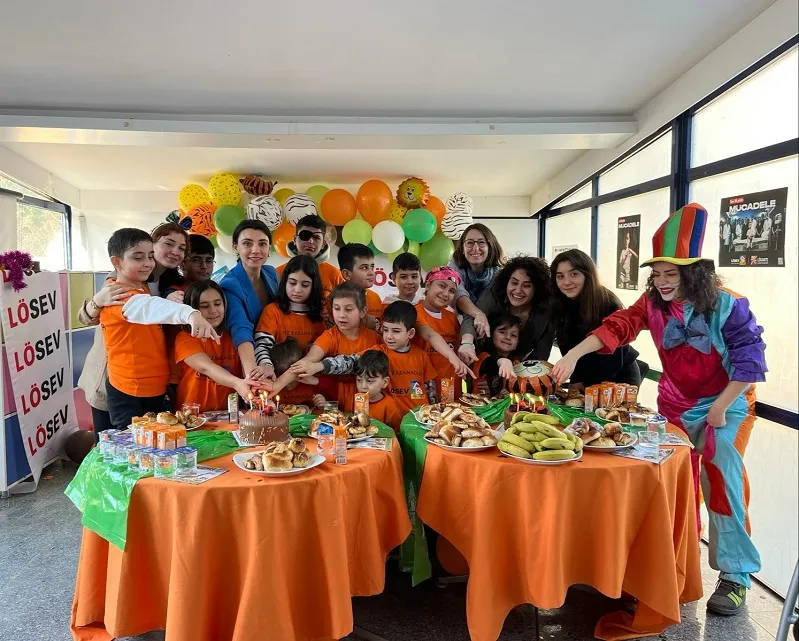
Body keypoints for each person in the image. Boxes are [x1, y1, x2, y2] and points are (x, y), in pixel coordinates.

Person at [552, 204, 765, 616]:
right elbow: (618, 326)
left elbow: (750, 360)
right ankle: (675, 563)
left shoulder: (730, 304)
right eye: (658, 274)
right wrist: (574, 355)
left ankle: (735, 575)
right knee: (673, 483)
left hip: (726, 405)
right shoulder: (652, 304)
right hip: (674, 403)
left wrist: (720, 408)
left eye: (672, 273)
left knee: (721, 480)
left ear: (695, 273)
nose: (663, 281)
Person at [77, 222, 190, 435]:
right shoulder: (120, 280)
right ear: (153, 243)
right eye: (168, 244)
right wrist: (96, 302)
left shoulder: (165, 282)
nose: (175, 251)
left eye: (182, 248)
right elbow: (87, 317)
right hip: (112, 378)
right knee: (112, 445)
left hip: (148, 380)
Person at [100, 228, 218, 429]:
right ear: (117, 262)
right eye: (138, 257)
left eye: (150, 256)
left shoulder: (143, 287)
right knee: (136, 446)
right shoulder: (117, 294)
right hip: (130, 390)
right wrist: (191, 314)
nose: (147, 263)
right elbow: (147, 306)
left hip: (154, 387)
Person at [290, 301, 437, 413]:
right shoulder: (377, 353)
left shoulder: (421, 356)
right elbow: (348, 362)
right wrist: (319, 366)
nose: (389, 336)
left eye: (396, 331)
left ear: (410, 333)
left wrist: (432, 413)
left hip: (418, 420)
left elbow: (429, 388)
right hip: (387, 419)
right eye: (386, 330)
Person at [551, 249, 641, 387]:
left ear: (587, 275)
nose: (566, 282)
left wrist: (595, 387)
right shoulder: (559, 303)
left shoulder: (606, 301)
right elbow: (567, 346)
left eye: (574, 274)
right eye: (560, 276)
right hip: (587, 372)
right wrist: (576, 379)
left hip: (619, 372)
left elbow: (615, 355)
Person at [286, 282, 380, 412]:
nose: (341, 315)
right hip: (335, 405)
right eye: (336, 308)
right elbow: (308, 361)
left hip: (367, 408)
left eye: (348, 309)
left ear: (363, 311)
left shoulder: (375, 339)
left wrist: (319, 368)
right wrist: (276, 385)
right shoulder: (329, 337)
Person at [174, 280, 259, 410]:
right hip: (193, 414)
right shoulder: (186, 337)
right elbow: (206, 368)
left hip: (229, 414)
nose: (213, 310)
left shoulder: (235, 337)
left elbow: (247, 371)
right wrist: (237, 383)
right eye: (204, 306)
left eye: (217, 304)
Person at [459, 256, 554, 365]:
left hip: (519, 367)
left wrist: (517, 373)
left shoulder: (546, 314)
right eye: (514, 283)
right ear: (506, 282)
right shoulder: (494, 294)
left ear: (537, 289)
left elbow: (540, 358)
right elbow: (471, 317)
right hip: (481, 361)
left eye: (527, 286)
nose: (518, 290)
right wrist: (467, 343)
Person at [220, 220, 279, 381]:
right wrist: (253, 375)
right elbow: (241, 329)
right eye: (247, 243)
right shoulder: (229, 285)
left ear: (269, 248)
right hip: (247, 358)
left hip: (275, 355)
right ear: (236, 247)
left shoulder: (272, 273)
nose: (256, 250)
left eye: (262, 244)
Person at [254, 255, 326, 376]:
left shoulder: (324, 313)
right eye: (292, 283)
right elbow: (262, 346)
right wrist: (266, 366)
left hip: (315, 382)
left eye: (305, 285)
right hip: (278, 381)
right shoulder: (272, 311)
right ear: (285, 282)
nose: (297, 289)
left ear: (314, 286)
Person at [413, 266, 463, 400]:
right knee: (421, 412)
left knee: (452, 413)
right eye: (442, 286)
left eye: (452, 291)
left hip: (449, 385)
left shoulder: (452, 318)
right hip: (420, 384)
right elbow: (430, 335)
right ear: (428, 285)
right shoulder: (413, 313)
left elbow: (458, 350)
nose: (445, 293)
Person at [448, 223, 504, 339]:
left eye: (481, 242)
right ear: (462, 248)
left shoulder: (498, 274)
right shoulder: (454, 266)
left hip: (490, 326)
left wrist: (480, 315)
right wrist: (478, 314)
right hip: (459, 323)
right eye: (470, 242)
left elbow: (485, 305)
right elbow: (459, 293)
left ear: (490, 247)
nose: (475, 248)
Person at [276, 214, 344, 300]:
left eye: (316, 237)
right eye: (305, 235)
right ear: (295, 239)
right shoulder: (277, 274)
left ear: (323, 244)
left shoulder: (334, 275)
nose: (310, 241)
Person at [268, 338, 332, 409]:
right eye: (282, 379)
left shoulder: (313, 382)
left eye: (292, 378)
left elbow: (333, 406)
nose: (288, 385)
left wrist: (324, 405)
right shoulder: (269, 386)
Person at [472, 314, 522, 397]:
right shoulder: (482, 357)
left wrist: (511, 394)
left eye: (513, 335)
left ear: (518, 342)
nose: (508, 337)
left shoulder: (518, 364)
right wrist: (503, 361)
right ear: (491, 334)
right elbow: (491, 361)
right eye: (502, 332)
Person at [355, 350, 404, 433]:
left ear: (385, 382)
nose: (363, 386)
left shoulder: (390, 406)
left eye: (370, 381)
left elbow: (395, 433)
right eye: (359, 380)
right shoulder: (351, 398)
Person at [338, 243, 383, 328]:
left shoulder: (375, 297)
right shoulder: (336, 299)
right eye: (364, 268)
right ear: (347, 274)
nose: (371, 273)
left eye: (372, 267)